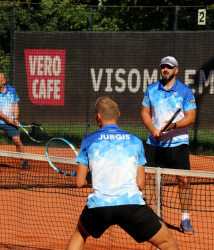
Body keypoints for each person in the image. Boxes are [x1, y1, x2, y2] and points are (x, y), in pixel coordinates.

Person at [67, 96, 178, 250]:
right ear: (118, 114)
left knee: (80, 233)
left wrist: (93, 179)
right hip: (132, 207)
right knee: (167, 243)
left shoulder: (88, 140)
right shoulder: (135, 141)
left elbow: (79, 183)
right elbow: (140, 184)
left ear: (98, 116)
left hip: (100, 207)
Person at [141, 56, 197, 235]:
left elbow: (191, 117)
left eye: (169, 67)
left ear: (176, 70)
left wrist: (173, 126)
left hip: (178, 144)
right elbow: (144, 112)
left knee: (184, 181)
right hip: (154, 143)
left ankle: (185, 219)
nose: (165, 69)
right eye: (163, 67)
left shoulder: (185, 91)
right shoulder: (151, 89)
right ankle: (146, 218)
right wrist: (152, 127)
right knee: (149, 179)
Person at [0, 73, 30, 169]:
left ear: (4, 81)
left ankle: (23, 160)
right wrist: (7, 118)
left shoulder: (11, 90)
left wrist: (15, 119)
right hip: (5, 119)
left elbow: (15, 105)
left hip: (9, 122)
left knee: (17, 141)